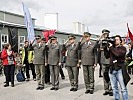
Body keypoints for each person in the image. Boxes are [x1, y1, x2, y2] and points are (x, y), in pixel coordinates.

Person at [105, 35, 130, 100]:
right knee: (114, 88)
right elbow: (107, 56)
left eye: (117, 39)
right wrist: (105, 47)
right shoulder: (112, 48)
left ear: (120, 41)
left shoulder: (123, 48)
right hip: (112, 69)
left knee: (123, 88)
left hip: (120, 70)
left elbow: (118, 54)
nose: (115, 41)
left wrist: (111, 48)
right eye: (114, 40)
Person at [98, 29, 113, 96]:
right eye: (104, 33)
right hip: (103, 61)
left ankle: (111, 90)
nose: (105, 35)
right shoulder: (101, 41)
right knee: (104, 76)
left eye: (106, 33)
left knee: (111, 76)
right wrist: (100, 38)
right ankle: (106, 89)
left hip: (109, 60)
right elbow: (96, 45)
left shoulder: (110, 40)